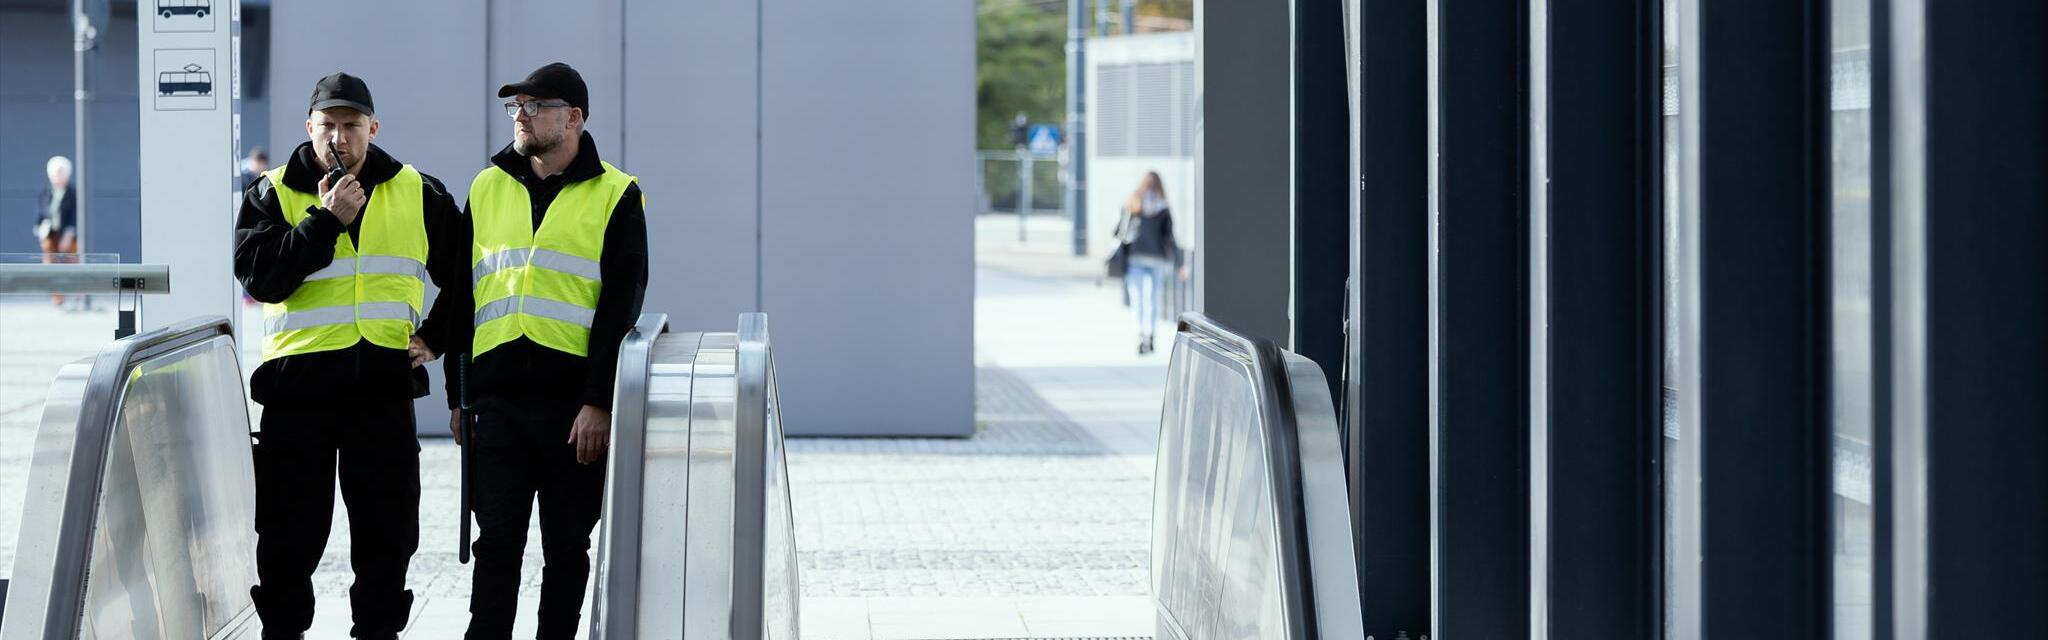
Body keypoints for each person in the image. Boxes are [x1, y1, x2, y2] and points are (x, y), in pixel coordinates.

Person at [232, 72, 466, 640]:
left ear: (373, 127)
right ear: (308, 128)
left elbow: (468, 279)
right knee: (288, 539)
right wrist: (324, 220)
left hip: (380, 392)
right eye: (328, 125)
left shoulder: (418, 190)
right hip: (297, 396)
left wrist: (434, 337)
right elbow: (261, 279)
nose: (339, 137)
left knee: (386, 540)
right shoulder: (272, 191)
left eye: (351, 125)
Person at [449, 62, 648, 639]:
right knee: (497, 545)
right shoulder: (487, 185)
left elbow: (620, 309)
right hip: (499, 403)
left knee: (566, 547)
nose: (521, 115)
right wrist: (459, 397)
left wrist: (599, 402)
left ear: (574, 118)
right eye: (515, 106)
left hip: (572, 411)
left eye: (535, 106)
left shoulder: (617, 194)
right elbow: (465, 297)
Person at [1114, 171, 1185, 355]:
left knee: (1137, 300)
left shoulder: (1133, 204)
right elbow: (1170, 238)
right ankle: (1151, 335)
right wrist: (1180, 263)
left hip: (1135, 258)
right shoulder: (1163, 207)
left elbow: (1118, 231)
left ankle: (1140, 335)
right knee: (1152, 299)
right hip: (1157, 259)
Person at [35, 156, 78, 307]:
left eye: (62, 173)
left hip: (68, 234)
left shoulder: (73, 193)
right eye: (56, 173)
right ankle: (57, 298)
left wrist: (69, 233)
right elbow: (40, 213)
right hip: (51, 234)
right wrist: (39, 229)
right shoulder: (46, 192)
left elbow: (75, 215)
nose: (59, 176)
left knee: (72, 261)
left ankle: (78, 295)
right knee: (50, 263)